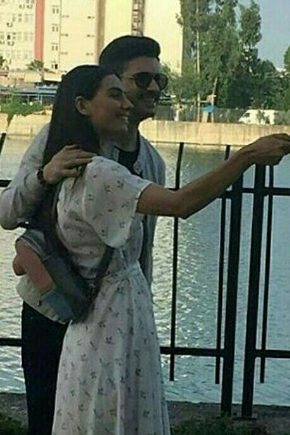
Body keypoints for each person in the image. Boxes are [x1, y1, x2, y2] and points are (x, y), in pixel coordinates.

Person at [0, 36, 167, 435]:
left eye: (160, 80)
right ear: (112, 82)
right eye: (142, 79)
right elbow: (7, 212)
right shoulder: (58, 140)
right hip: (53, 306)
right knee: (48, 420)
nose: (153, 90)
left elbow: (140, 252)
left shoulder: (152, 163)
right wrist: (45, 176)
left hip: (106, 322)